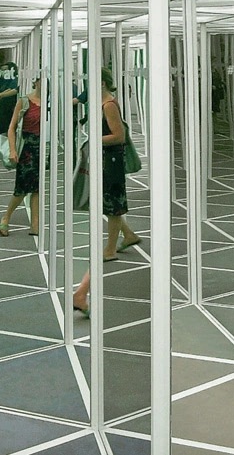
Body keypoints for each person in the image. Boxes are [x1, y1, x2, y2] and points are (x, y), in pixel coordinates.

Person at [71, 68, 140, 315]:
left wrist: (94, 141)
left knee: (113, 203)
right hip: (105, 160)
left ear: (101, 82)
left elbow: (118, 136)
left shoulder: (109, 105)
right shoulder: (101, 103)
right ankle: (126, 235)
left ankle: (110, 248)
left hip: (111, 160)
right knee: (111, 202)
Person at [0, 77, 42, 237]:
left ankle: (35, 223)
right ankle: (6, 216)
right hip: (27, 147)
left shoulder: (51, 102)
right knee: (22, 188)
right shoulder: (24, 101)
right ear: (36, 81)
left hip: (42, 147)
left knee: (37, 188)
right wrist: (12, 150)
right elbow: (12, 127)